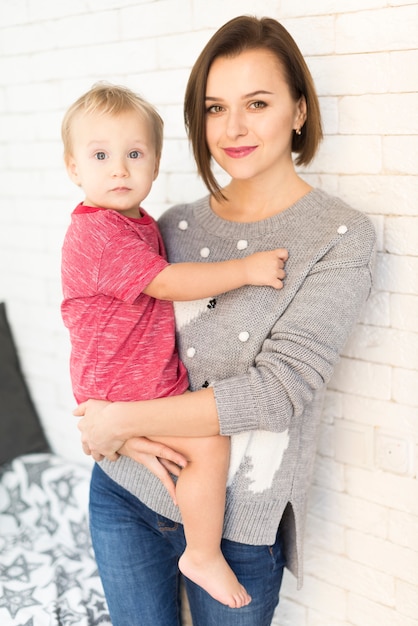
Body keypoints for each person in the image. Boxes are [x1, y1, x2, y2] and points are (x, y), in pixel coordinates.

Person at [74, 16, 376, 626]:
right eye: (215, 107)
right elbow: (105, 330)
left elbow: (277, 392)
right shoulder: (169, 226)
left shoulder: (339, 237)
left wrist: (118, 420)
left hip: (241, 524)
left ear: (298, 111)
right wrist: (109, 430)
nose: (233, 128)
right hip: (127, 488)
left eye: (257, 103)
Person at [60, 82, 288, 610]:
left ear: (156, 163)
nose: (119, 169)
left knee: (197, 446)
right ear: (73, 168)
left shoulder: (137, 224)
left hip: (135, 385)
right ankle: (202, 553)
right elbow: (166, 283)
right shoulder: (98, 235)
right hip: (123, 385)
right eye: (100, 156)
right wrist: (246, 270)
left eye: (134, 154)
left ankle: (197, 547)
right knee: (209, 442)